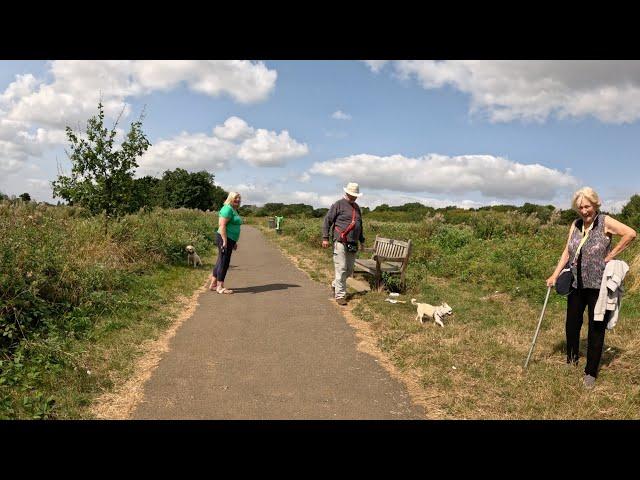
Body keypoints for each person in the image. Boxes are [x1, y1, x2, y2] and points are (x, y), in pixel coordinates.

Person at [546, 187, 636, 388]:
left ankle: (591, 373)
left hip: (598, 286)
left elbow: (630, 234)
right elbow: (567, 252)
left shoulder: (605, 221)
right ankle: (571, 359)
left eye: (587, 206)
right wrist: (554, 274)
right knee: (572, 324)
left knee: (596, 328)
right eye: (580, 207)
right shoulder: (576, 224)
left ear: (595, 204)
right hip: (576, 284)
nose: (584, 211)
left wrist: (610, 256)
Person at [322, 182, 365, 306]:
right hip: (340, 241)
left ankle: (335, 284)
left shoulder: (357, 207)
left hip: (353, 243)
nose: (355, 197)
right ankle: (340, 295)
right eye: (353, 194)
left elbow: (359, 226)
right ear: (347, 193)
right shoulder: (338, 204)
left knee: (349, 269)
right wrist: (325, 238)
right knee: (341, 268)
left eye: (356, 195)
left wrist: (361, 240)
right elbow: (327, 221)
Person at [210, 192, 243, 294]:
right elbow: (222, 225)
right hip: (225, 238)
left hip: (230, 239)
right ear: (230, 198)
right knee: (224, 262)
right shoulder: (227, 209)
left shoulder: (233, 209)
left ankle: (213, 284)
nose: (237, 200)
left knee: (221, 260)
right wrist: (224, 240)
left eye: (239, 199)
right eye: (235, 198)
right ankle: (220, 287)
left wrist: (234, 242)